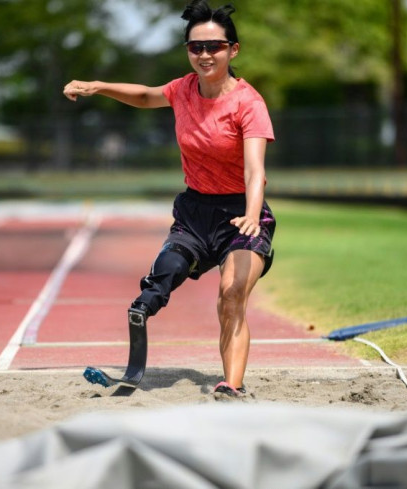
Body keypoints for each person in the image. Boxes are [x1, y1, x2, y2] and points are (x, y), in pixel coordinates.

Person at [63, 0, 275, 399]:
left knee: (230, 292)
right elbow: (145, 96)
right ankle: (143, 312)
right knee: (164, 273)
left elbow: (254, 171)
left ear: (233, 49)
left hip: (241, 215)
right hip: (196, 212)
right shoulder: (183, 89)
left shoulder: (249, 104)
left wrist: (250, 214)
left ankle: (231, 384)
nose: (205, 54)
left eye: (214, 46)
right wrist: (98, 86)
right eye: (196, 47)